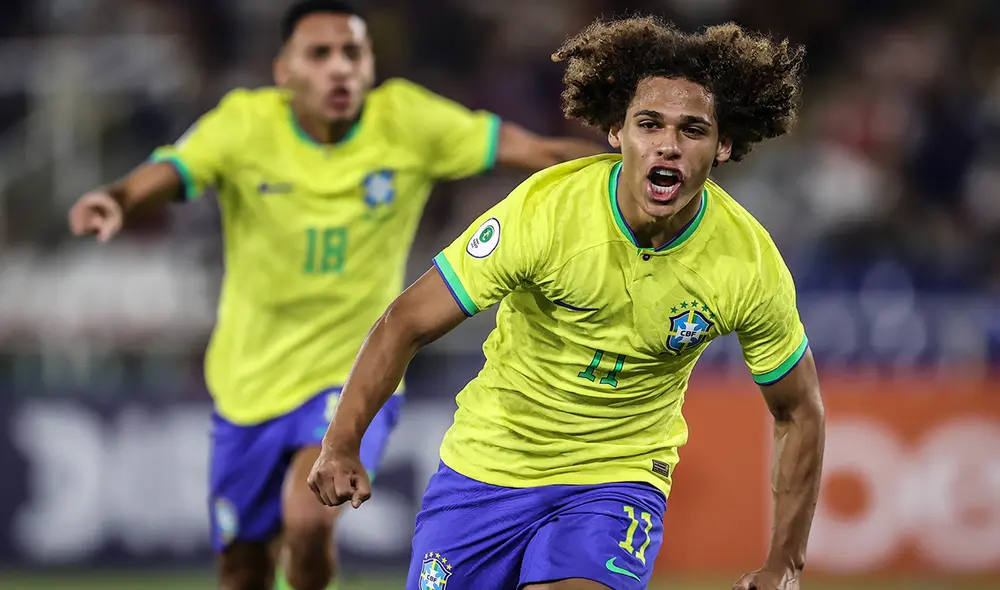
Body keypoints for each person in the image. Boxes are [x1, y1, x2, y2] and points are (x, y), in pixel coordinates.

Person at [66, 0, 602, 588]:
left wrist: (628, 169)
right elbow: (173, 169)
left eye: (353, 53)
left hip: (351, 372)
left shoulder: (408, 120)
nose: (339, 68)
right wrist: (117, 200)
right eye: (319, 55)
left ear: (371, 63)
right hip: (249, 382)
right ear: (283, 70)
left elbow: (540, 155)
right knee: (242, 568)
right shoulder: (244, 123)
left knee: (309, 520)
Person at [308, 14, 826, 590]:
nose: (669, 146)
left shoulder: (748, 263)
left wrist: (785, 563)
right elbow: (406, 321)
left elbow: (799, 410)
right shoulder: (547, 212)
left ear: (724, 144)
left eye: (693, 130)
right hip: (489, 466)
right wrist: (342, 443)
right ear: (616, 133)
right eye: (649, 124)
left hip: (617, 478)